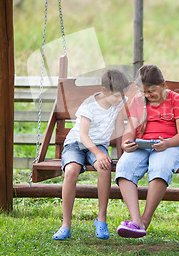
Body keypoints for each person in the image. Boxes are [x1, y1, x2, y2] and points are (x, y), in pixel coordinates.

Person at [52, 69, 130, 240]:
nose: (120, 99)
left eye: (122, 95)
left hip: (99, 145)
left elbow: (119, 129)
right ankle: (66, 224)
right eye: (116, 96)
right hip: (76, 144)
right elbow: (83, 135)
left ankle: (101, 219)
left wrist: (121, 154)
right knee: (72, 170)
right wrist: (98, 153)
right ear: (104, 91)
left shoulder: (119, 102)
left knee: (104, 167)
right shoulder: (90, 106)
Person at [115, 64, 179, 238]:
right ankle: (136, 221)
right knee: (124, 167)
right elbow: (130, 129)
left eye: (152, 91)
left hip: (168, 146)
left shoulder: (175, 100)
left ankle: (144, 221)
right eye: (144, 92)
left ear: (163, 85)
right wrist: (126, 143)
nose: (148, 96)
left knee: (160, 168)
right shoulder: (138, 101)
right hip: (142, 146)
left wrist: (167, 143)